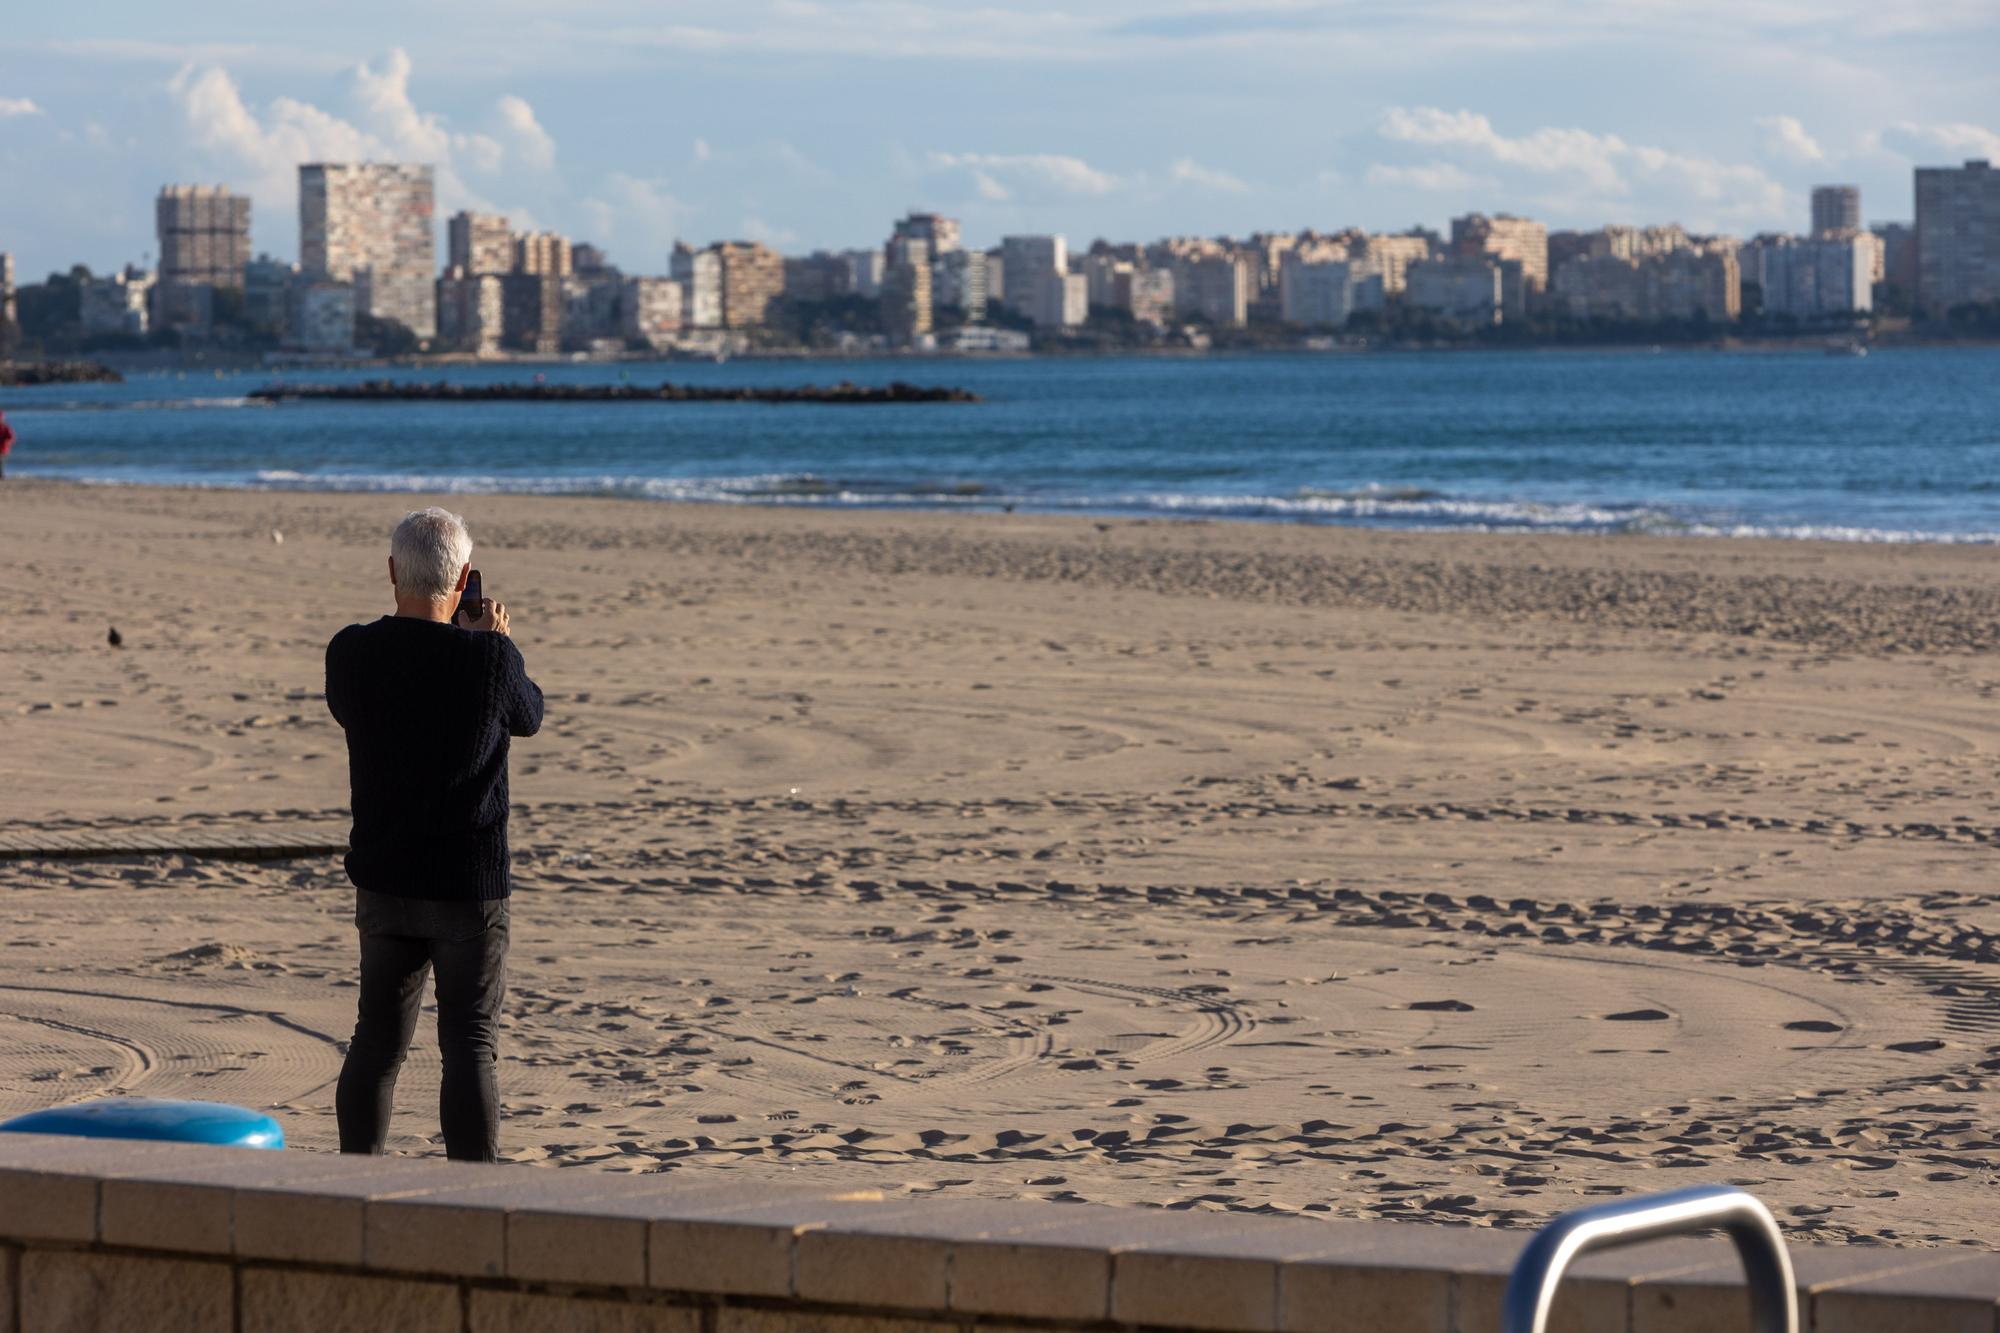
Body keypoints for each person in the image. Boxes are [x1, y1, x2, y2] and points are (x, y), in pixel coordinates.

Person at [325, 507, 543, 1161]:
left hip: (387, 876)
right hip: (465, 883)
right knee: (469, 1044)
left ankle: (355, 1176)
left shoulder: (352, 652)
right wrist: (492, 639)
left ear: (393, 572)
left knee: (376, 1042)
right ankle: (472, 1196)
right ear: (466, 578)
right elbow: (528, 712)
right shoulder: (489, 660)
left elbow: (350, 705)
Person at [0, 410, 15, 480]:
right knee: (1, 461)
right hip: (3, 448)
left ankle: (1, 475)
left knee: (1, 461)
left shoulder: (5, 427)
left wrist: (8, 442)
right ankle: (1, 475)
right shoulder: (5, 427)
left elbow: (11, 437)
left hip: (2, 448)